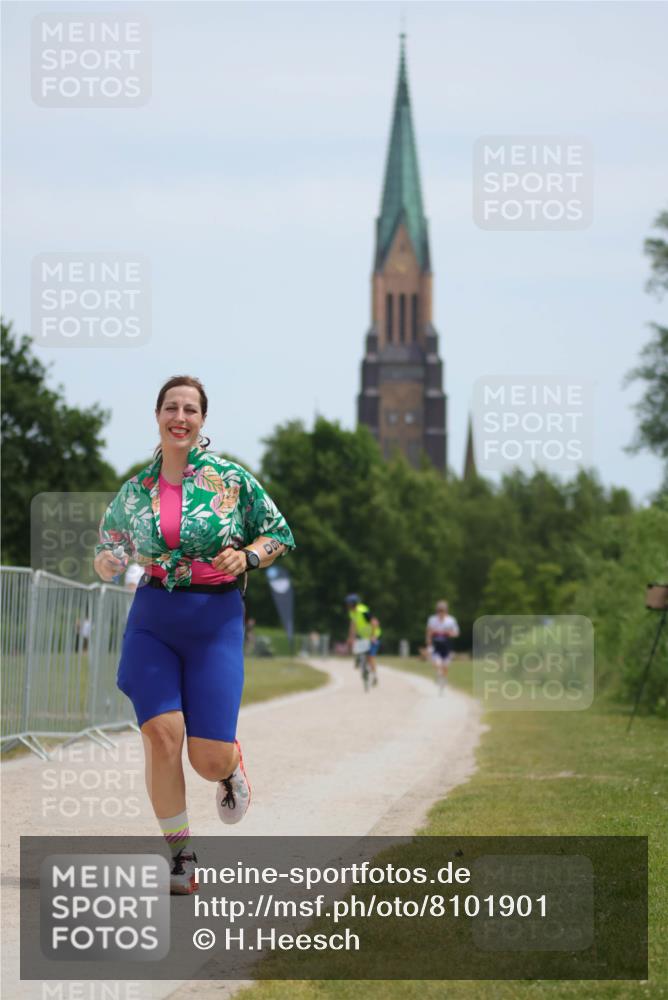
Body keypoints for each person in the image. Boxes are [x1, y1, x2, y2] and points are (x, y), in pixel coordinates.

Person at [93, 375, 295, 894]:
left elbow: (278, 533)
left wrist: (248, 555)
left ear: (202, 421)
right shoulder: (135, 491)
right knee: (162, 735)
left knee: (205, 758)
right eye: (170, 408)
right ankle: (181, 856)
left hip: (215, 618)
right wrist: (108, 562)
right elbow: (108, 548)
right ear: (157, 416)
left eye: (190, 410)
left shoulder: (231, 481)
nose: (179, 417)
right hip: (154, 615)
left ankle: (229, 768)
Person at [426, 600, 459, 692]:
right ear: (437, 611)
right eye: (439, 610)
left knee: (445, 665)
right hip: (436, 644)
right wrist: (428, 641)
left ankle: (443, 679)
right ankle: (438, 673)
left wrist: (449, 633)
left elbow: (456, 633)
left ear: (446, 611)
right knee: (436, 662)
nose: (440, 612)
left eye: (442, 610)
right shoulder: (432, 619)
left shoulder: (451, 620)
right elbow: (429, 631)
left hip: (447, 645)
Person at [344, 594, 378, 685]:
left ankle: (374, 676)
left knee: (370, 657)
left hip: (372, 635)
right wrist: (350, 638)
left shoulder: (362, 611)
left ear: (353, 604)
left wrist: (373, 636)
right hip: (363, 636)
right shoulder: (352, 613)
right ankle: (359, 659)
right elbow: (353, 626)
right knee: (357, 646)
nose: (347, 606)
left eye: (348, 604)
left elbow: (374, 622)